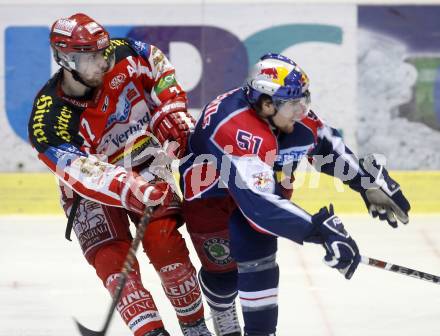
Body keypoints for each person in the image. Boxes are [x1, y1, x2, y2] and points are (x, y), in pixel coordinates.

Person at [179, 53, 411, 336]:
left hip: (257, 187)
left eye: (304, 99)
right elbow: (260, 207)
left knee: (259, 253)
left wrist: (365, 183)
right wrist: (320, 231)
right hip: (210, 195)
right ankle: (221, 307)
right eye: (293, 103)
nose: (302, 110)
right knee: (222, 274)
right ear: (266, 104)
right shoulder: (238, 128)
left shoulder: (286, 114)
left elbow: (326, 145)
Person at [28, 13, 213, 336]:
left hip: (146, 163)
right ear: (66, 59)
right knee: (116, 271)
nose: (103, 61)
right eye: (92, 57)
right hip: (90, 192)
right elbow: (80, 172)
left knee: (167, 248)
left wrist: (170, 109)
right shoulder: (49, 117)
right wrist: (129, 186)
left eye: (104, 52)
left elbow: (156, 64)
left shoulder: (125, 54)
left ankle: (196, 329)